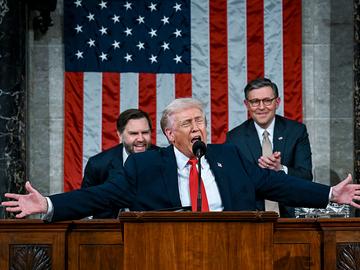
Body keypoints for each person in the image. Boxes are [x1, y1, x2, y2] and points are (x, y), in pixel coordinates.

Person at [2, 98, 360, 222]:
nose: (197, 127)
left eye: (200, 120)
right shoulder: (145, 165)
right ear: (170, 134)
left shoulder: (229, 156)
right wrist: (48, 204)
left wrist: (328, 194)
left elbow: (277, 183)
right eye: (188, 123)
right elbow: (99, 197)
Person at [226, 78, 312, 217]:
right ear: (247, 104)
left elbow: (306, 176)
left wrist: (280, 169)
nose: (261, 107)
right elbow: (232, 184)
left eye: (267, 100)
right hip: (252, 217)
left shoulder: (296, 132)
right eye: (255, 102)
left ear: (277, 102)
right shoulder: (234, 138)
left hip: (291, 217)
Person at [81, 109, 158, 218]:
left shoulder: (164, 159)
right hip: (108, 229)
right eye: (134, 133)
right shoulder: (98, 164)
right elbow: (86, 202)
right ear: (120, 135)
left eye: (145, 132)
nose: (140, 139)